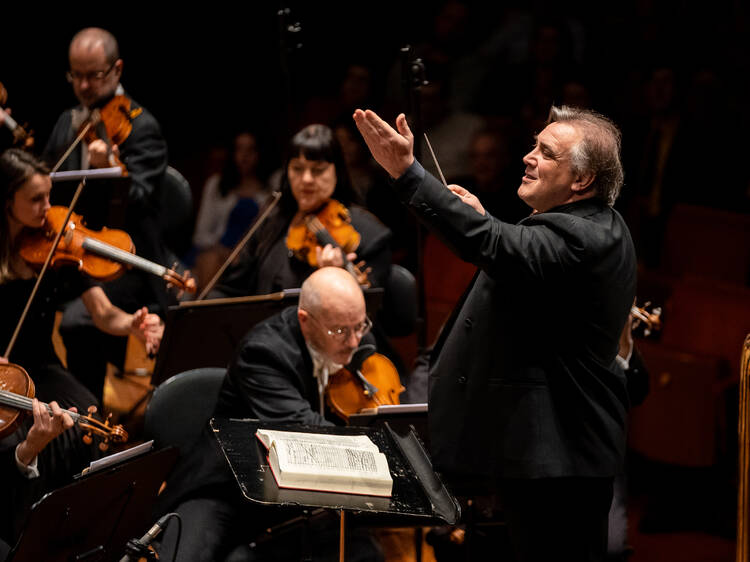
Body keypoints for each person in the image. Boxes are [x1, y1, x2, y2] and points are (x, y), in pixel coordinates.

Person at [354, 105, 636, 561]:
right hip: (548, 458)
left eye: (546, 153)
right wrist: (482, 219)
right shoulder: (589, 226)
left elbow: (496, 244)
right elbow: (513, 252)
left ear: (581, 181)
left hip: (561, 465)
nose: (528, 157)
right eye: (533, 145)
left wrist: (408, 173)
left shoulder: (583, 237)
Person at [156, 267, 383, 561]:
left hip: (295, 492)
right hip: (229, 486)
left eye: (360, 326)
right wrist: (378, 450)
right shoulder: (263, 353)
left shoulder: (356, 341)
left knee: (366, 555)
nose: (354, 342)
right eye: (340, 331)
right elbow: (312, 433)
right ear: (305, 320)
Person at [0, 148, 163, 549]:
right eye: (36, 199)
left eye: (50, 196)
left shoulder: (58, 249)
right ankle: (22, 530)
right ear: (7, 202)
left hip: (41, 367)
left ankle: (75, 527)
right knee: (9, 445)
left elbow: (105, 314)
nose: (49, 209)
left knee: (85, 425)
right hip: (3, 378)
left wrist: (134, 326)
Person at [41, 27, 170, 400]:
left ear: (117, 70)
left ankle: (89, 415)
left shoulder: (141, 127)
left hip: (125, 259)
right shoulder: (68, 122)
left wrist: (113, 167)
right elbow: (43, 179)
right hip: (70, 254)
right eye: (75, 75)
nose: (83, 85)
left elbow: (142, 200)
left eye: (93, 75)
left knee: (80, 322)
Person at [218, 123, 391, 296]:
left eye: (318, 170)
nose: (306, 179)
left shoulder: (369, 235)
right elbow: (233, 286)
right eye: (297, 169)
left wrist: (337, 278)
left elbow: (367, 309)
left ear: (337, 172)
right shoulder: (273, 218)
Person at [191, 131, 270, 290]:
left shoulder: (270, 190)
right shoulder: (216, 185)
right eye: (239, 149)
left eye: (250, 150)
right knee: (210, 261)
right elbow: (201, 236)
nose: (244, 156)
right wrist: (223, 252)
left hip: (249, 259)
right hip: (215, 254)